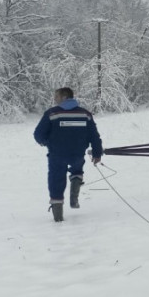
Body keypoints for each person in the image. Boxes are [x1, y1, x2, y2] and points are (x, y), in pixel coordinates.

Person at [33, 87, 103, 222]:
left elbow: (38, 134)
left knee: (56, 180)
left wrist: (47, 143)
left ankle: (58, 215)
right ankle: (74, 195)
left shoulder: (52, 114)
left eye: (57, 96)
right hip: (77, 153)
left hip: (57, 154)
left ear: (64, 97)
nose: (55, 99)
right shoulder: (85, 114)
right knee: (77, 169)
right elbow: (94, 136)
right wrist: (97, 152)